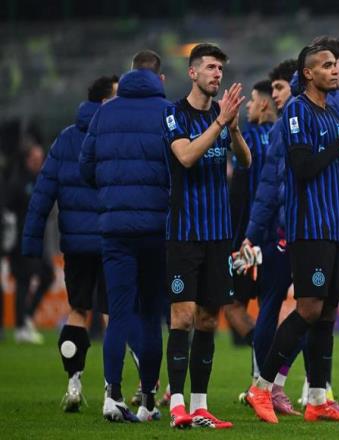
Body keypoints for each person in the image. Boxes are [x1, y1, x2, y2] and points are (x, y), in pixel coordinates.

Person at [247, 44, 339, 425]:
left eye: (336, 65)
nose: (335, 71)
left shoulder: (331, 114)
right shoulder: (297, 110)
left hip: (333, 228)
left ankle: (318, 398)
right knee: (308, 308)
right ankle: (261, 387)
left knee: (326, 312)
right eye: (327, 65)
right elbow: (303, 165)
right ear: (308, 73)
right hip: (308, 227)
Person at [163, 43, 251, 429]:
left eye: (220, 69)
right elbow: (185, 157)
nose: (217, 74)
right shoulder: (174, 114)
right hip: (184, 232)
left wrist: (233, 129)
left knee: (208, 320)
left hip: (218, 234)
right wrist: (219, 124)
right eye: (211, 67)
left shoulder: (222, 115)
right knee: (182, 317)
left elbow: (245, 161)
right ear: (193, 72)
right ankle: (176, 404)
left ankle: (200, 405)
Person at [80, 50, 170, 422]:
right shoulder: (168, 112)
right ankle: (148, 400)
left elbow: (86, 167)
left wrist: (111, 193)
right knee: (150, 316)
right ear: (160, 79)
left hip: (115, 230)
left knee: (118, 315)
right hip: (156, 230)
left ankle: (113, 396)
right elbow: (180, 164)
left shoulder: (105, 113)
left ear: (129, 75)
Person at [22, 75, 118, 412]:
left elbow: (42, 194)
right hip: (112, 240)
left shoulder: (65, 139)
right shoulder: (116, 135)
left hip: (76, 244)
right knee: (113, 313)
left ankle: (74, 384)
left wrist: (31, 242)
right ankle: (112, 389)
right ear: (105, 101)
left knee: (78, 311)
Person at [235, 60, 298, 415]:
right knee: (264, 307)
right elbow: (268, 188)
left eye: (279, 88)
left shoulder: (268, 133)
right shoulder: (276, 132)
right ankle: (268, 384)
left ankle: (265, 382)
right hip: (272, 235)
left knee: (302, 309)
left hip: (265, 232)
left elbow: (260, 188)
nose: (274, 96)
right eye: (271, 89)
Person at [224, 80, 276, 353]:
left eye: (253, 100)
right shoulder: (282, 135)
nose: (248, 106)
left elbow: (238, 191)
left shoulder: (249, 138)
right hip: (275, 235)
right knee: (268, 304)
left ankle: (261, 348)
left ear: (264, 104)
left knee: (231, 304)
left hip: (247, 237)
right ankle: (265, 366)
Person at [6, 144, 55, 344]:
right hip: (20, 240)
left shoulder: (39, 179)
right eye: (35, 158)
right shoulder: (18, 182)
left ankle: (26, 316)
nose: (39, 162)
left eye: (41, 158)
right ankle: (20, 327)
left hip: (37, 238)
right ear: (27, 159)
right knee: (23, 281)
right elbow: (8, 211)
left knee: (48, 275)